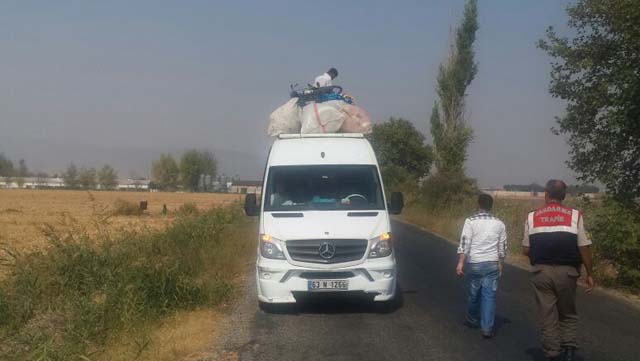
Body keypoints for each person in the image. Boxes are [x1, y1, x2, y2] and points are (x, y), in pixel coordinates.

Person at [522, 180, 595, 361]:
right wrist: (590, 274)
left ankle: (552, 353)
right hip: (568, 273)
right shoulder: (575, 216)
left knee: (547, 316)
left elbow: (525, 249)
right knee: (568, 313)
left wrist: (538, 261)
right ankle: (569, 350)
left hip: (541, 272)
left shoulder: (532, 216)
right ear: (564, 196)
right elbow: (583, 247)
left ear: (546, 195)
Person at [456, 193, 507, 339]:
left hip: (475, 263)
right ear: (491, 206)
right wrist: (500, 263)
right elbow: (502, 247)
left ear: (478, 204)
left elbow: (465, 242)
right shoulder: (499, 223)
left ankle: (472, 319)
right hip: (492, 264)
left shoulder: (470, 221)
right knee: (489, 295)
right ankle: (487, 328)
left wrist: (460, 262)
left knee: (474, 293)